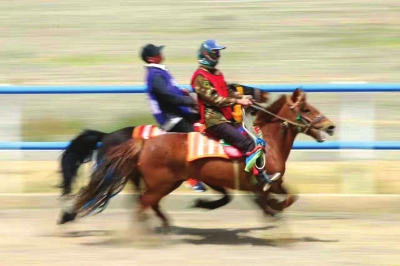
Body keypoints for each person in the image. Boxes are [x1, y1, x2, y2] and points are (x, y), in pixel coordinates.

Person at [190, 40, 281, 191]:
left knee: (256, 138)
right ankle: (261, 178)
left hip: (226, 118)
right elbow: (215, 99)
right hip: (214, 121)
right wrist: (238, 101)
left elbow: (227, 91)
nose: (218, 55)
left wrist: (243, 98)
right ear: (207, 55)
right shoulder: (199, 78)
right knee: (248, 144)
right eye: (215, 53)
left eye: (218, 52)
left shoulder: (217, 74)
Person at [140, 43, 207, 192]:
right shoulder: (154, 75)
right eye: (157, 53)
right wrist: (187, 101)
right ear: (151, 59)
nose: (161, 54)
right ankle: (191, 179)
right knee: (194, 139)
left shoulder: (159, 72)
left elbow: (171, 92)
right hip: (170, 117)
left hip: (178, 111)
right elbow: (166, 96)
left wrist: (181, 93)